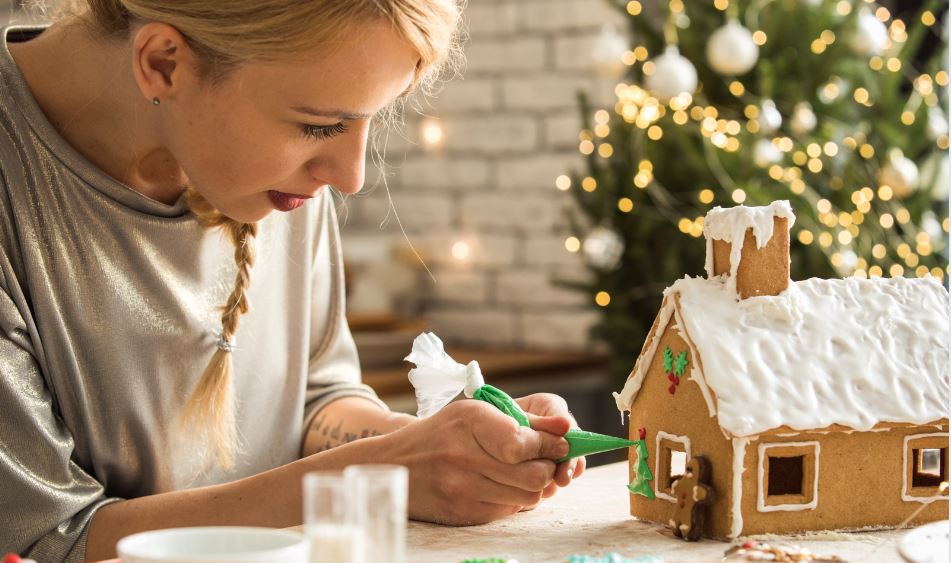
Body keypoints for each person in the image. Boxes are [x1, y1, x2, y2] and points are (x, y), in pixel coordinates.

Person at [0, 1, 589, 561]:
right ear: (163, 63)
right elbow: (51, 543)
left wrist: (444, 451)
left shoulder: (278, 184)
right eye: (319, 126)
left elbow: (316, 402)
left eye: (367, 120)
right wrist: (392, 472)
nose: (350, 178)